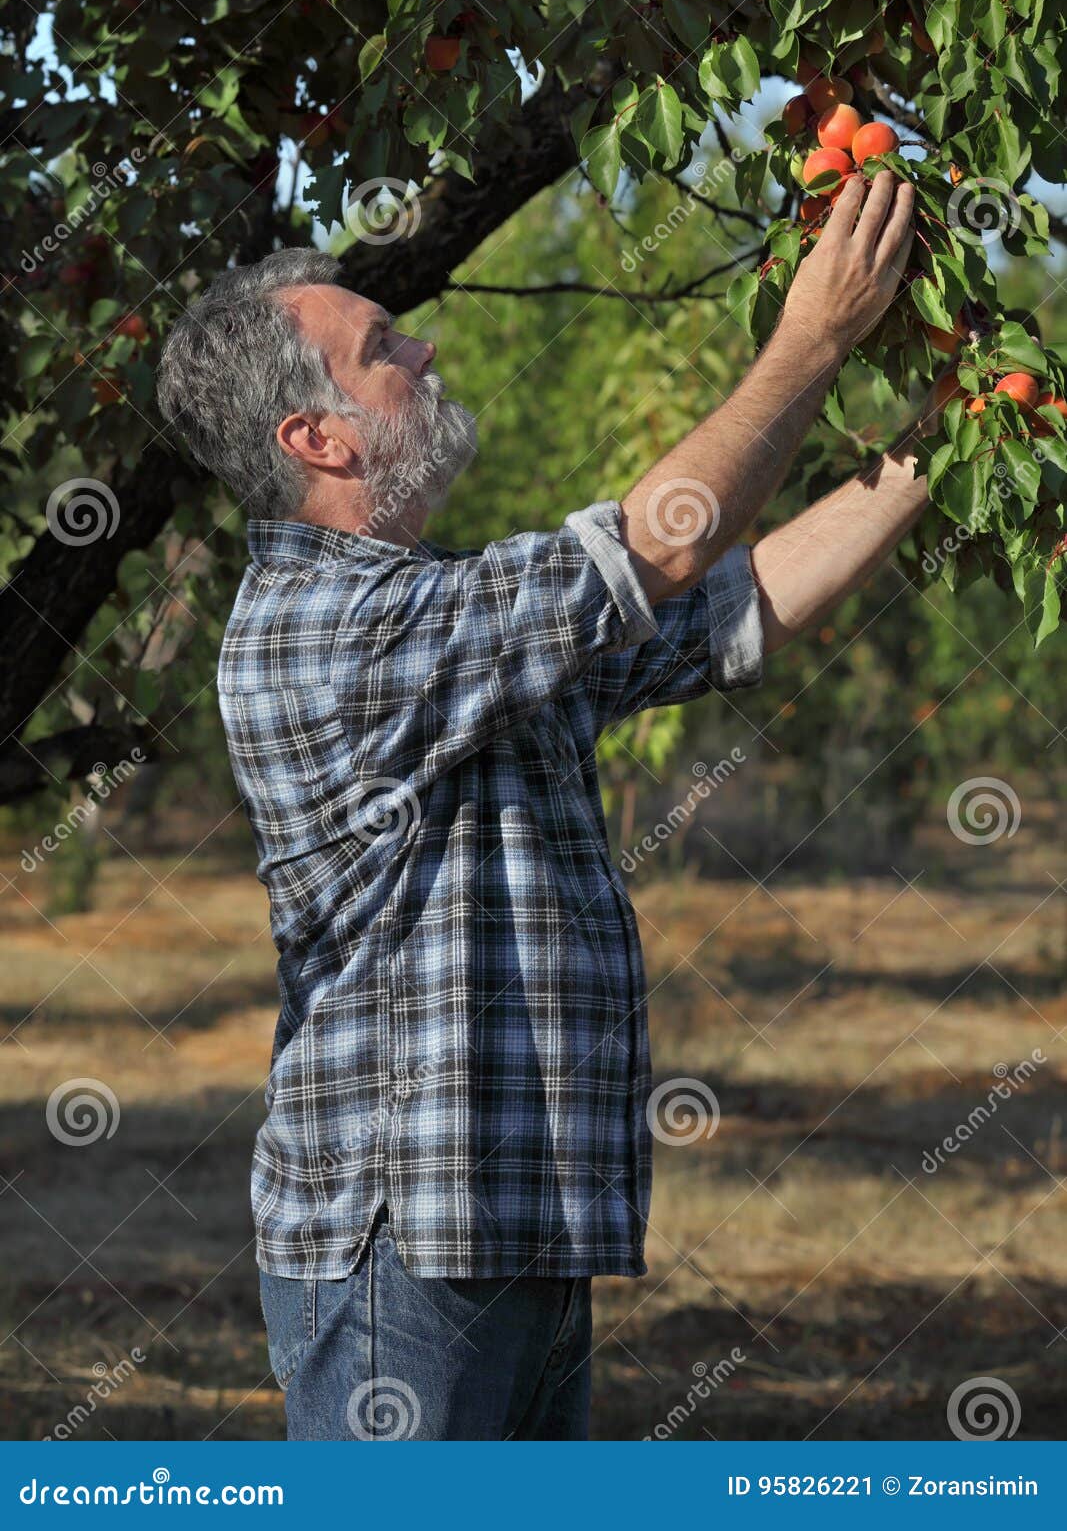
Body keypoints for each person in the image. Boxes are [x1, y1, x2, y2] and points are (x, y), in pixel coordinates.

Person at [156, 170, 921, 1440]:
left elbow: (720, 609)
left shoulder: (438, 616)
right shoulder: (322, 632)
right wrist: (813, 339)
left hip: (510, 1217)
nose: (425, 345)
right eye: (382, 347)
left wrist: (938, 447)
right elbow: (658, 544)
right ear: (318, 437)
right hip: (403, 1238)